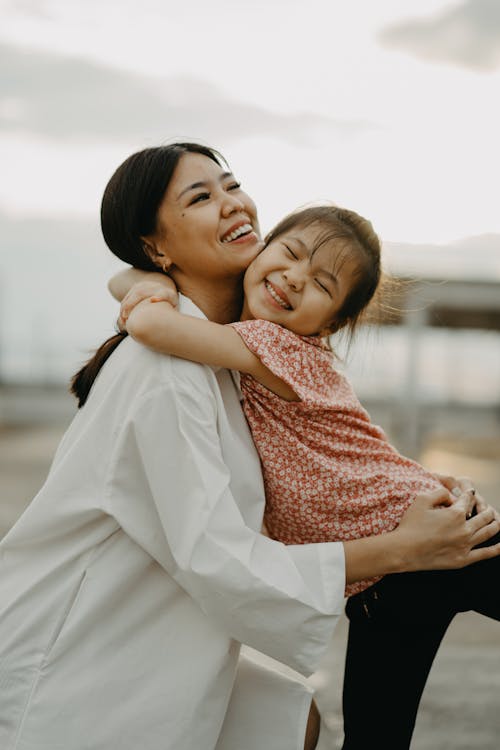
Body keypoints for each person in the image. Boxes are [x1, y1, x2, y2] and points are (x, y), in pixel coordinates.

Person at [1, 143, 497, 750]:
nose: (232, 204)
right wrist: (398, 549)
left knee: (298, 719)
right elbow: (219, 559)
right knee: (305, 713)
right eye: (202, 197)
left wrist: (145, 280)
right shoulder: (167, 375)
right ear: (156, 244)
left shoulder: (234, 348)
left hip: (165, 621)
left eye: (231, 185)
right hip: (84, 645)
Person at [117, 200, 500, 749]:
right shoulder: (249, 338)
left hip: (431, 533)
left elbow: (151, 326)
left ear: (332, 323)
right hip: (387, 579)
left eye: (322, 284)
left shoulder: (274, 346)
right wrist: (148, 284)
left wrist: (153, 291)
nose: (294, 279)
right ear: (264, 246)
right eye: (290, 254)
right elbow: (130, 289)